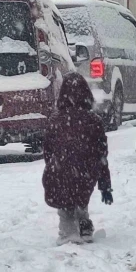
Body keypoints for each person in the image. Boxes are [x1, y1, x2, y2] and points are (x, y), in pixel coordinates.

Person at [42, 72, 113, 245]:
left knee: (65, 202)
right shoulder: (93, 121)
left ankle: (67, 230)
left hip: (59, 173)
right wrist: (105, 185)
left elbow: (48, 151)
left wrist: (55, 167)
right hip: (85, 174)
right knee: (80, 194)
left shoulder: (55, 121)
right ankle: (83, 222)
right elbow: (101, 154)